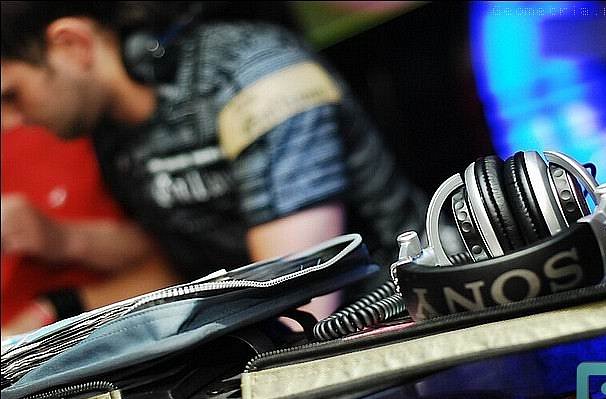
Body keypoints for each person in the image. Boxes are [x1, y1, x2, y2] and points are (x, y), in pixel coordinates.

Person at [1, 2, 427, 319]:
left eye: (11, 95)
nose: (8, 122)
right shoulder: (112, 129)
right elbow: (175, 270)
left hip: (402, 318)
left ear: (72, 44)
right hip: (271, 337)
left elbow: (298, 298)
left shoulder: (256, 75)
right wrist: (53, 309)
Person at [1, 126, 179, 336]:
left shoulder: (55, 129)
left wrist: (58, 308)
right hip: (55, 341)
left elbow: (176, 258)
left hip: (138, 325)